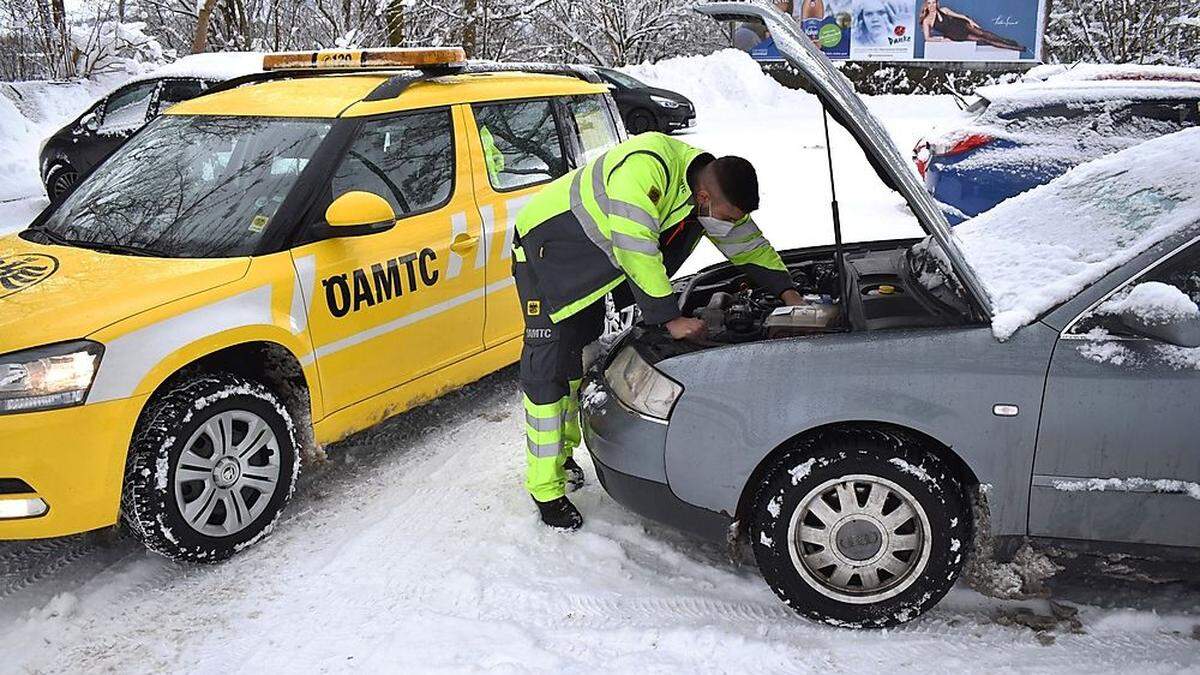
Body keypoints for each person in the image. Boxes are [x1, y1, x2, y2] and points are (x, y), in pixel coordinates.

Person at [511, 132, 806, 529]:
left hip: (593, 271)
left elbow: (746, 244)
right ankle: (546, 491)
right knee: (547, 372)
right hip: (547, 257)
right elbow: (636, 249)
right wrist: (670, 319)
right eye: (728, 214)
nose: (731, 223)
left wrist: (790, 295)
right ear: (705, 199)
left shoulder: (704, 188)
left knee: (575, 360)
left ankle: (562, 455)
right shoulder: (645, 168)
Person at [919, 0, 1027, 52]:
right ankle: (1016, 48)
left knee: (984, 33)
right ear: (926, 5)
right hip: (956, 35)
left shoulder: (944, 10)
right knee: (984, 39)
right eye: (929, 3)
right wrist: (941, 39)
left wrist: (970, 21)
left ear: (936, 3)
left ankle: (1008, 41)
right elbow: (927, 38)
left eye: (933, 2)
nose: (932, 5)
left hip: (962, 25)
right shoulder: (926, 21)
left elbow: (960, 16)